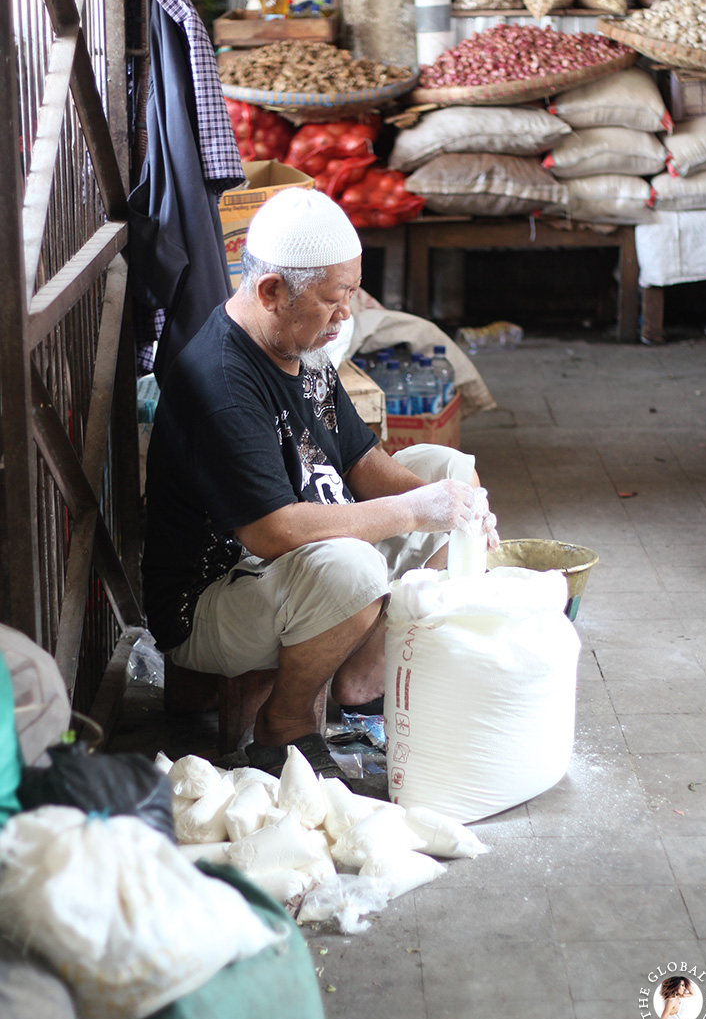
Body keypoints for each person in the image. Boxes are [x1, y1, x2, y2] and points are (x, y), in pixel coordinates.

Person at [142, 188, 498, 783]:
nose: (344, 317)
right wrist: (414, 512)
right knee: (353, 566)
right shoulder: (222, 382)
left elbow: (361, 461)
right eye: (333, 301)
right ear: (271, 291)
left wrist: (450, 506)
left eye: (349, 296)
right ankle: (284, 726)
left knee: (452, 472)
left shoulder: (301, 343)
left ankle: (363, 677)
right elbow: (274, 530)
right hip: (214, 598)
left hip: (297, 558)